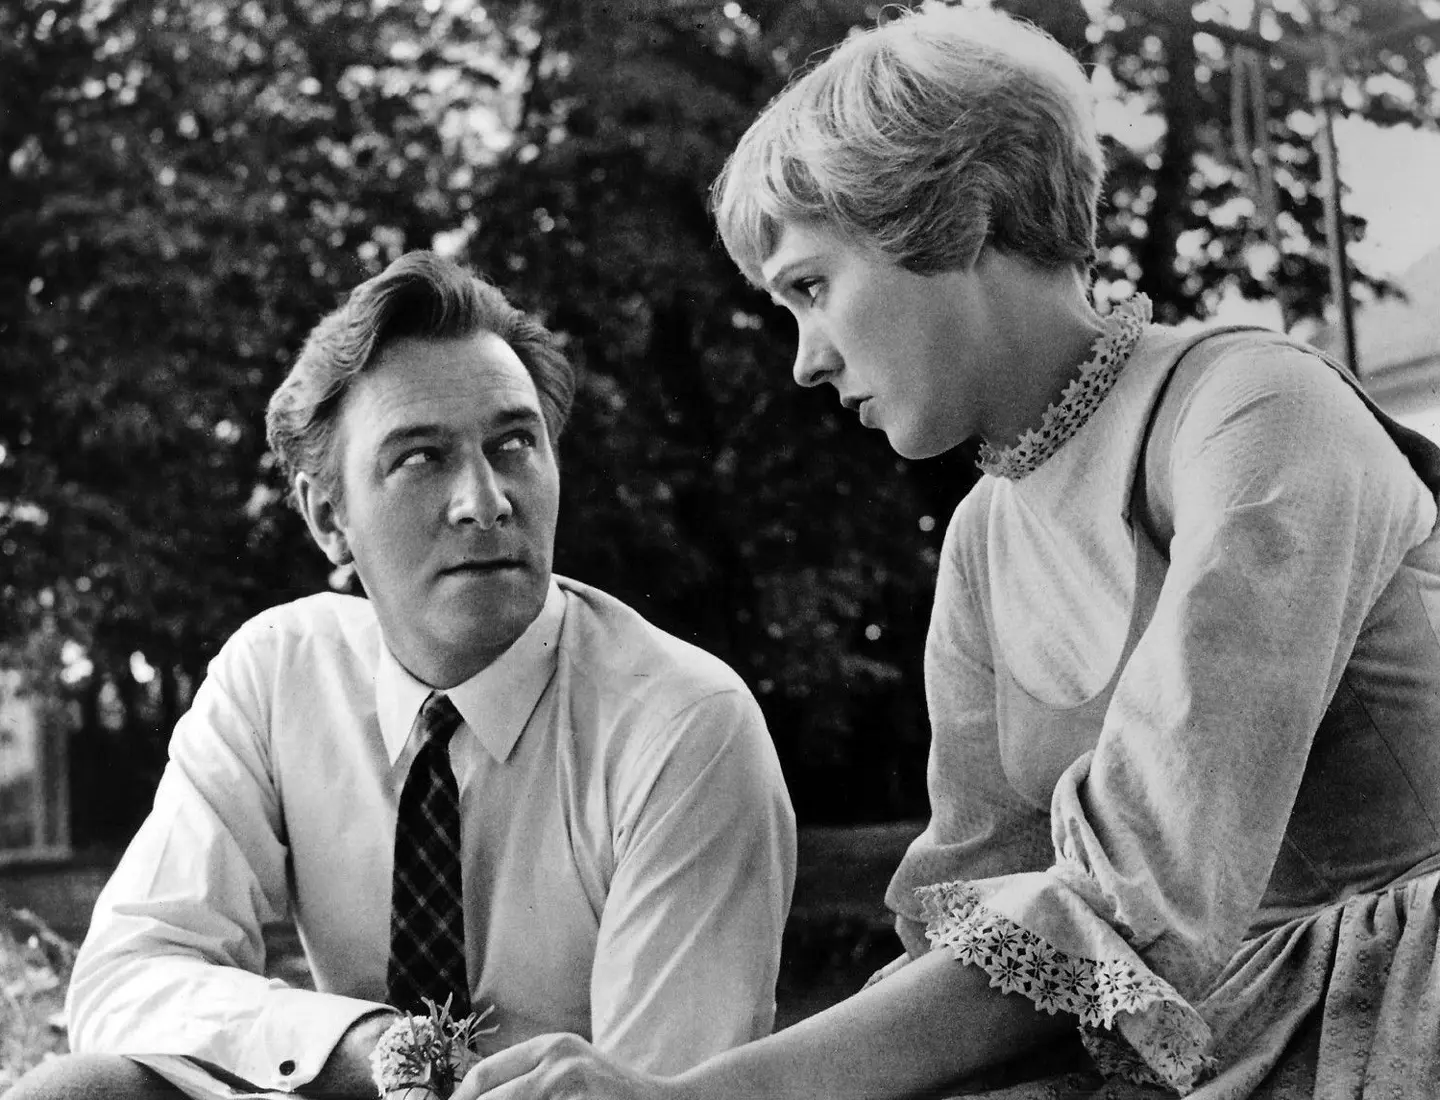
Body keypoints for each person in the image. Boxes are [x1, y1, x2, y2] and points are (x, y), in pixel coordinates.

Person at [447, 6, 1440, 1099]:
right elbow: (969, 925)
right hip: (1206, 1043)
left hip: (1400, 1015)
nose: (803, 364)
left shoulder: (1255, 409)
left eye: (811, 288)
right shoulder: (984, 533)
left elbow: (1140, 894)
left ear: (956, 218)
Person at [8, 252, 796, 1100]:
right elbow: (127, 978)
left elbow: (662, 1089)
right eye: (421, 458)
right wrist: (379, 1051)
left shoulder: (685, 727)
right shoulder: (280, 674)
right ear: (327, 518)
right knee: (76, 1092)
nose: (485, 500)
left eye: (515, 444)